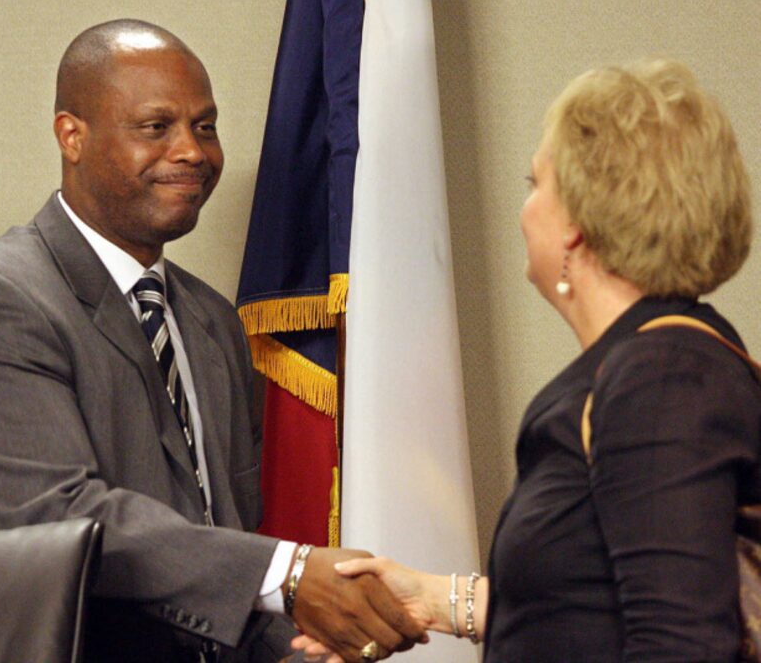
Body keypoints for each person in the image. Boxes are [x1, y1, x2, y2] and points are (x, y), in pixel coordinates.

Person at [0, 19, 426, 663]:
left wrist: (298, 649)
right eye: (156, 127)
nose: (192, 151)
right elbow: (64, 523)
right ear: (71, 135)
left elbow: (220, 540)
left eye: (205, 126)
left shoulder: (212, 318)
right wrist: (292, 575)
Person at [296, 58, 760, 662]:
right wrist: (434, 601)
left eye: (535, 183)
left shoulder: (660, 379)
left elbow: (683, 641)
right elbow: (600, 598)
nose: (526, 209)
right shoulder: (664, 362)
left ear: (575, 222)